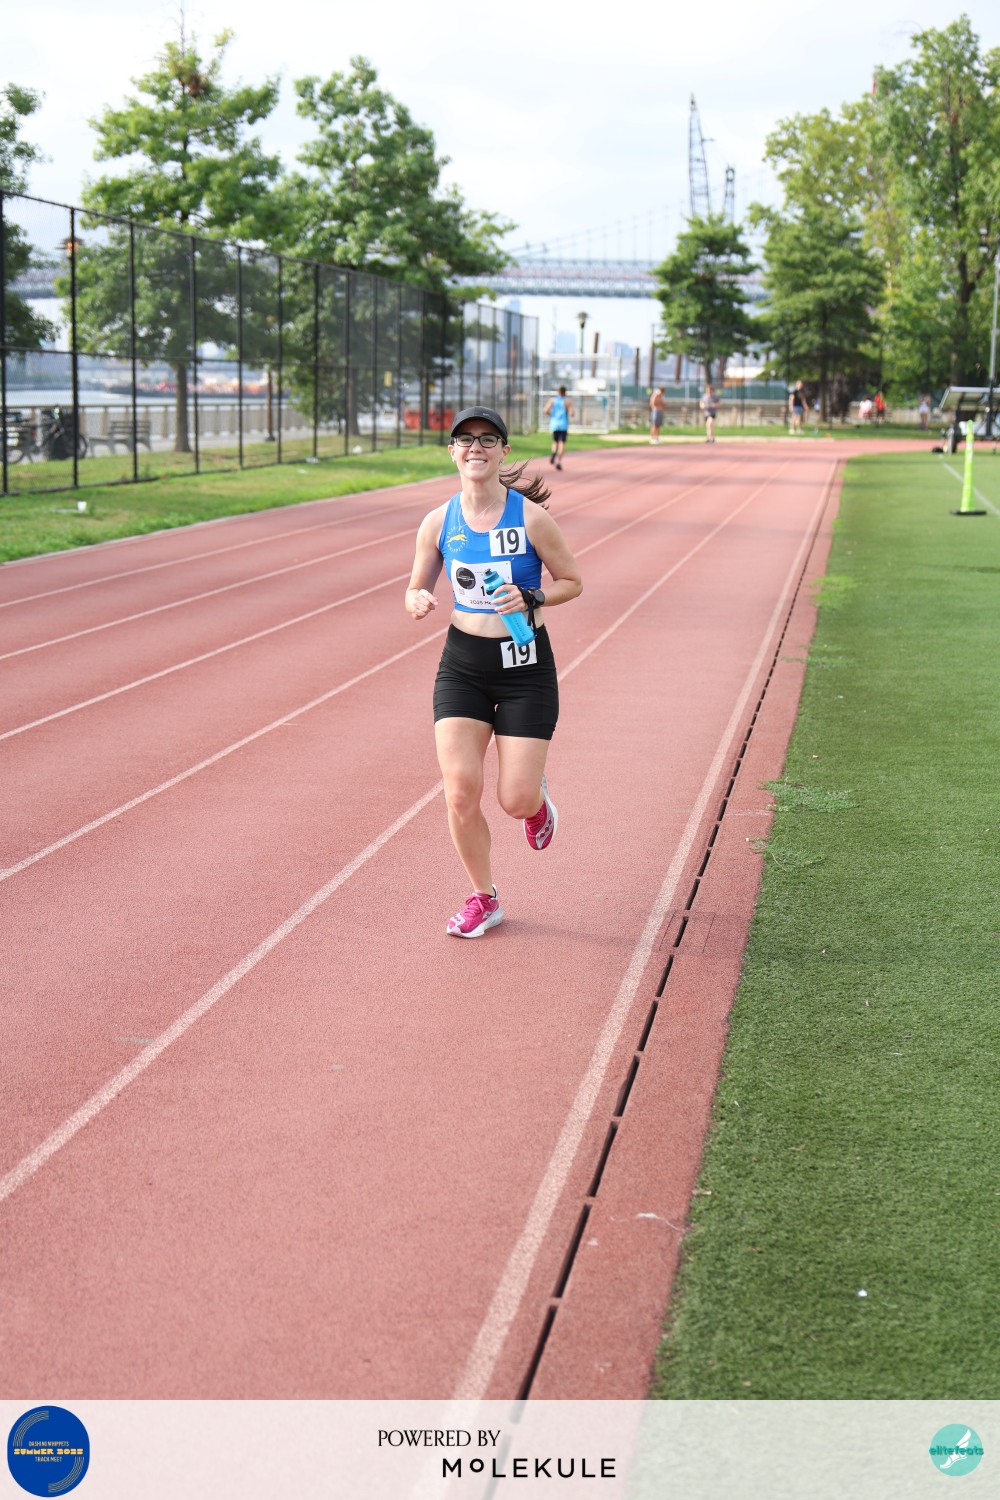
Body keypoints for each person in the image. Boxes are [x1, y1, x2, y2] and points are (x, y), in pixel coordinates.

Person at [405, 406, 583, 938]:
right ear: (452, 452)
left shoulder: (531, 518)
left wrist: (531, 596)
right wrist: (417, 600)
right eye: (465, 439)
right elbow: (415, 587)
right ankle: (484, 897)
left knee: (514, 800)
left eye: (487, 439)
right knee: (460, 790)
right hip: (463, 668)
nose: (475, 447)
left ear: (503, 450)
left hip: (525, 669)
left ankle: (535, 801)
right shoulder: (439, 522)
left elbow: (572, 581)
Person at [543, 385, 575, 469]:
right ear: (565, 392)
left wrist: (551, 415)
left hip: (554, 424)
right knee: (562, 443)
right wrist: (569, 413)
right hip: (563, 424)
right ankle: (559, 461)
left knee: (555, 441)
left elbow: (545, 410)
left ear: (558, 392)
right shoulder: (567, 401)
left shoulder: (552, 400)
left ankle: (554, 453)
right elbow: (572, 413)